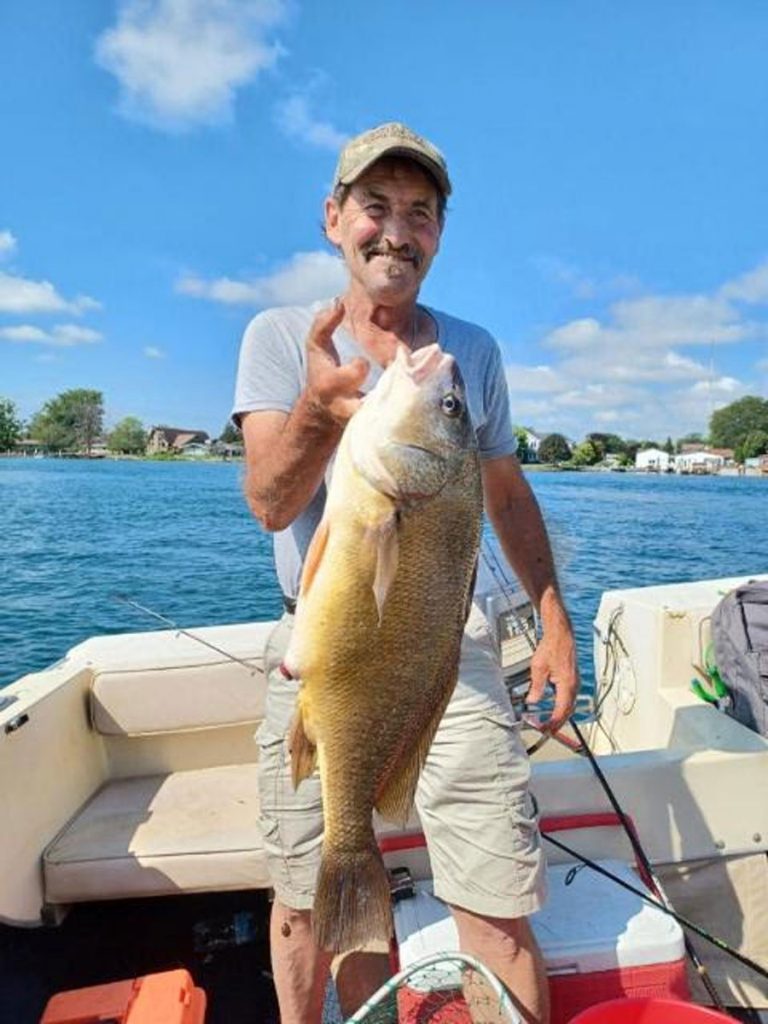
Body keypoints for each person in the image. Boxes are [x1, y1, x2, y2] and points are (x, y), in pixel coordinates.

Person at [233, 121, 580, 1024]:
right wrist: (317, 406)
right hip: (321, 649)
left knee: (498, 898)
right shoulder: (281, 336)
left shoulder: (473, 349)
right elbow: (271, 503)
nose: (397, 230)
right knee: (305, 904)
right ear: (333, 218)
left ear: (439, 233)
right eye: (375, 207)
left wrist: (554, 621)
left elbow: (504, 495)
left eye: (420, 213)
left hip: (446, 647)